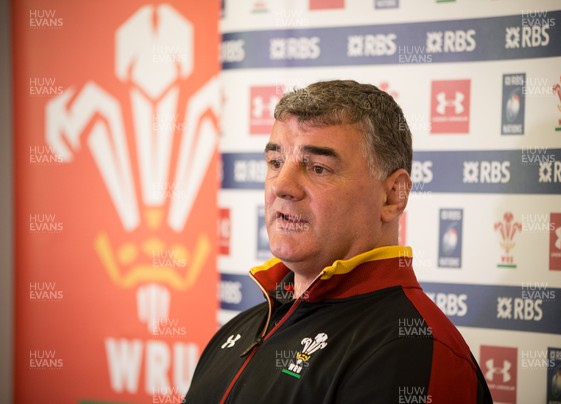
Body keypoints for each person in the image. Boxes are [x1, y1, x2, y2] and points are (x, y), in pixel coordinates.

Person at [184, 80, 492, 403]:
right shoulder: (238, 331)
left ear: (392, 196)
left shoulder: (414, 349)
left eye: (318, 168)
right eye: (276, 162)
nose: (281, 186)